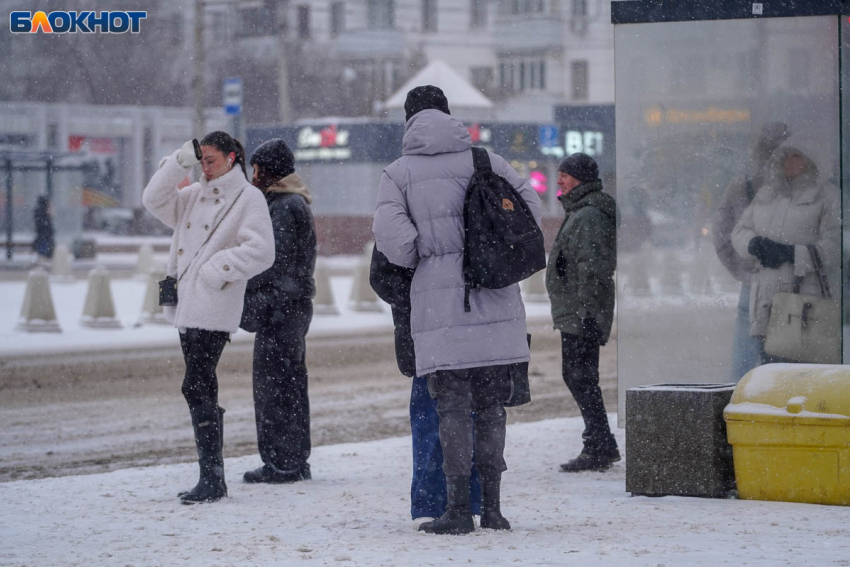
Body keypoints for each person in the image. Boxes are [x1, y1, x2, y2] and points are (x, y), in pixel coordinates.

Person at [372, 85, 542, 535]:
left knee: (451, 407)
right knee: (491, 409)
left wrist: (430, 255)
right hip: (497, 298)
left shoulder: (398, 173)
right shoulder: (488, 161)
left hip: (439, 302)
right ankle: (494, 509)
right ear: (450, 116)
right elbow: (532, 212)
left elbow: (392, 240)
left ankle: (456, 510)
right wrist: (486, 249)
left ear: (409, 121)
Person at [142, 131, 275, 504]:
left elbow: (262, 250)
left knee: (196, 384)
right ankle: (212, 477)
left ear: (232, 158)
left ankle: (213, 479)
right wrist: (179, 161)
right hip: (186, 303)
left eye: (211, 159)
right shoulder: (192, 195)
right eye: (201, 159)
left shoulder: (247, 198)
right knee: (199, 385)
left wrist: (217, 268)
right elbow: (153, 200)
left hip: (214, 303)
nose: (205, 166)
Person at [369, 247, 482, 521]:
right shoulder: (471, 205)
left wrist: (423, 300)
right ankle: (469, 502)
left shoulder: (407, 206)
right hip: (466, 323)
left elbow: (383, 273)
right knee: (467, 413)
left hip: (439, 326)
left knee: (439, 414)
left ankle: (436, 503)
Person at [240, 139, 316, 484]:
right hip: (290, 308)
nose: (252, 175)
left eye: (257, 168)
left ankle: (282, 463)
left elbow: (273, 261)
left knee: (276, 387)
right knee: (289, 384)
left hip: (281, 309)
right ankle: (292, 460)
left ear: (270, 171)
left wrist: (245, 283)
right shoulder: (289, 202)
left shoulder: (284, 207)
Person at [731, 138, 840, 364]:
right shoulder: (767, 194)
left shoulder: (828, 196)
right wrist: (753, 244)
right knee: (771, 374)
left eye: (796, 156)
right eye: (785, 156)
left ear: (810, 160)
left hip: (803, 303)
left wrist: (792, 253)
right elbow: (739, 231)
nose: (789, 162)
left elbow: (837, 245)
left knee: (803, 375)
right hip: (765, 303)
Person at [546, 153, 619, 473]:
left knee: (580, 377)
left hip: (581, 310)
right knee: (580, 376)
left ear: (582, 179)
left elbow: (593, 266)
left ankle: (599, 445)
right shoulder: (580, 210)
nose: (559, 180)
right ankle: (599, 443)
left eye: (565, 175)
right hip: (577, 308)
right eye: (559, 174)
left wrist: (588, 311)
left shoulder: (588, 215)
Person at [712, 122, 789, 380]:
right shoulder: (803, 188)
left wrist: (744, 269)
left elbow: (722, 235)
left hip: (754, 284)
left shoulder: (743, 187)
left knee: (744, 366)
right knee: (789, 361)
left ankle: (742, 409)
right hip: (794, 283)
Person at [32, 195, 55, 263]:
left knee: (42, 245)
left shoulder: (38, 210)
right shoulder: (44, 210)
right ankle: (44, 259)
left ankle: (42, 259)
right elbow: (46, 222)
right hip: (45, 233)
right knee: (45, 246)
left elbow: (38, 223)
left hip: (41, 233)